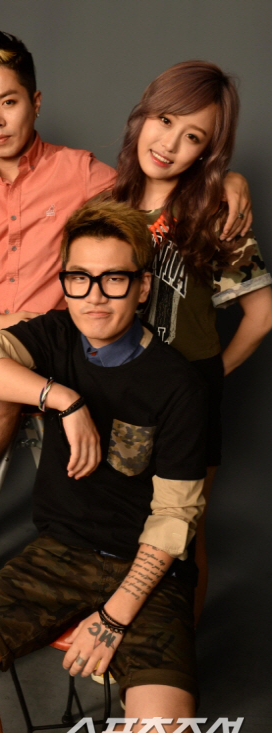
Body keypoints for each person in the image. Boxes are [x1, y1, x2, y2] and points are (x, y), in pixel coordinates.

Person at [0, 31, 249, 624]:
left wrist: (228, 180)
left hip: (60, 352)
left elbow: (156, 189)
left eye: (8, 102)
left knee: (41, 432)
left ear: (35, 102)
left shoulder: (83, 173)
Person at [0, 197, 208, 733]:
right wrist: (63, 398)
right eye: (79, 278)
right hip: (60, 552)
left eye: (114, 279)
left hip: (149, 570)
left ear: (142, 286)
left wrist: (115, 615)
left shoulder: (177, 382)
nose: (94, 296)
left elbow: (174, 519)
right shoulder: (55, 335)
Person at [111, 60, 272, 617]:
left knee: (182, 534)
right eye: (165, 120)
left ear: (208, 151)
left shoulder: (215, 212)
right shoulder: (107, 203)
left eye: (193, 136)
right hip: (118, 390)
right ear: (143, 115)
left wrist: (209, 375)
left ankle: (181, 645)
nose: (169, 144)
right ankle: (115, 626)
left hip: (186, 399)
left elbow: (262, 315)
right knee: (121, 519)